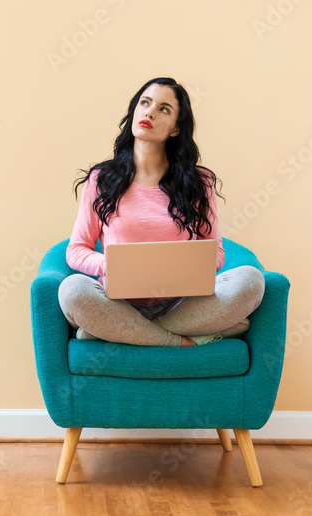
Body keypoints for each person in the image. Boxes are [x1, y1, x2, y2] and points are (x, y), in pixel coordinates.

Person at [58, 77, 265, 347]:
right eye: (145, 103)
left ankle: (117, 333)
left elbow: (215, 250)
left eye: (164, 109)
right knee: (72, 291)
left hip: (181, 304)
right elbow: (76, 249)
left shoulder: (199, 183)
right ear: (134, 111)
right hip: (117, 303)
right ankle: (179, 341)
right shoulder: (102, 179)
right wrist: (111, 266)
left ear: (176, 129)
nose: (150, 112)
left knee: (251, 280)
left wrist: (187, 269)